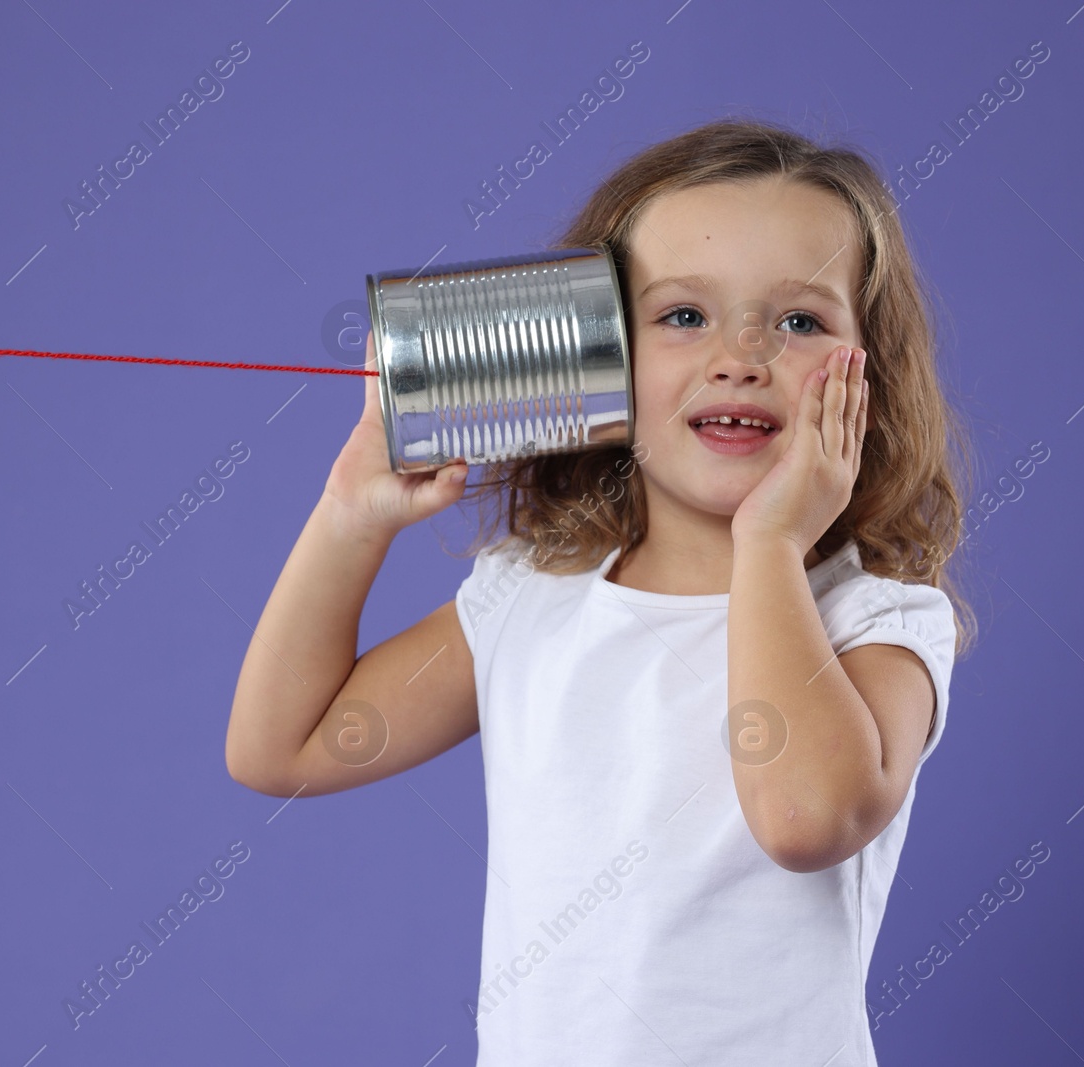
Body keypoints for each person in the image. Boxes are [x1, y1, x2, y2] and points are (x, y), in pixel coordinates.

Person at [225, 117, 976, 1066]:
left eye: (799, 321)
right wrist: (349, 514)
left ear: (870, 373)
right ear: (599, 355)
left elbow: (804, 819)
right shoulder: (532, 599)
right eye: (683, 315)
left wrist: (773, 541)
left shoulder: (881, 621)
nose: (739, 355)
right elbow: (280, 746)